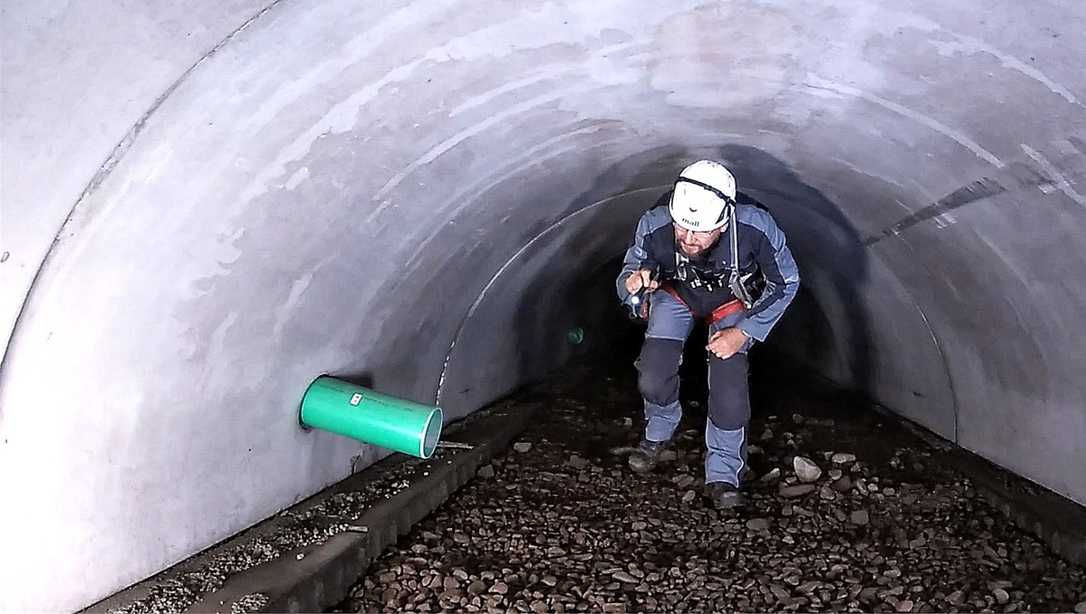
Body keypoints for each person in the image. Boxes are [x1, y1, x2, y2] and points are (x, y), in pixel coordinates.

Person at [616, 160, 800, 509]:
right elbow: (629, 275)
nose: (687, 239)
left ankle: (723, 474)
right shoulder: (653, 224)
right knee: (653, 374)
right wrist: (633, 288)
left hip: (731, 302)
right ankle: (660, 429)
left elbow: (786, 282)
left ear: (724, 221)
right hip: (677, 294)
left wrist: (743, 333)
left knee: (730, 391)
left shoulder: (756, 227)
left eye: (699, 232)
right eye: (681, 228)